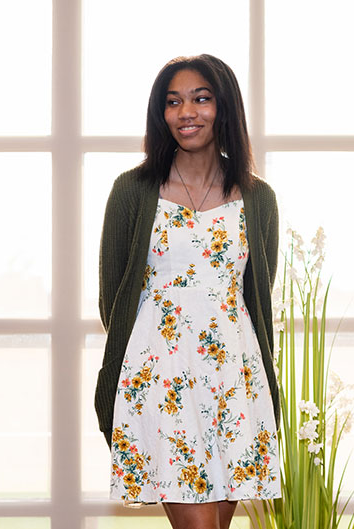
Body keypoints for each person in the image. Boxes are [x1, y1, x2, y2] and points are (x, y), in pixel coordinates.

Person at [95, 55, 281, 529]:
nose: (186, 113)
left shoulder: (258, 198)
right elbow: (111, 298)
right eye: (173, 102)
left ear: (225, 109)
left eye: (201, 99)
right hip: (163, 380)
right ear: (161, 114)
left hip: (234, 380)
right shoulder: (132, 190)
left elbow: (256, 298)